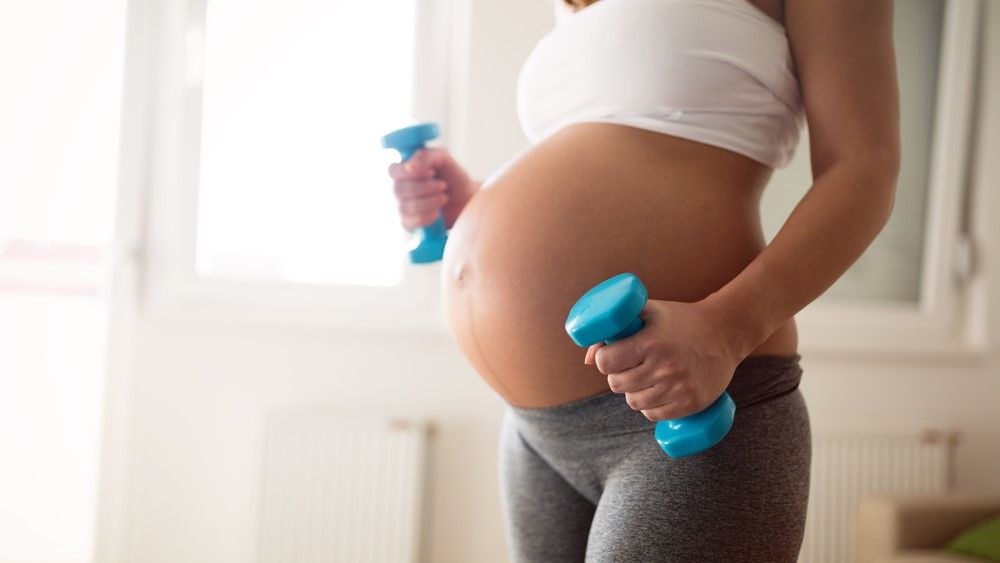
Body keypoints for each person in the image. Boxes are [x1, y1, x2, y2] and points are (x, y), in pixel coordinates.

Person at [387, 0, 900, 560]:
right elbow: (620, 153)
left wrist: (727, 329)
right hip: (537, 433)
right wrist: (479, 203)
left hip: (687, 413)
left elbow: (865, 165)